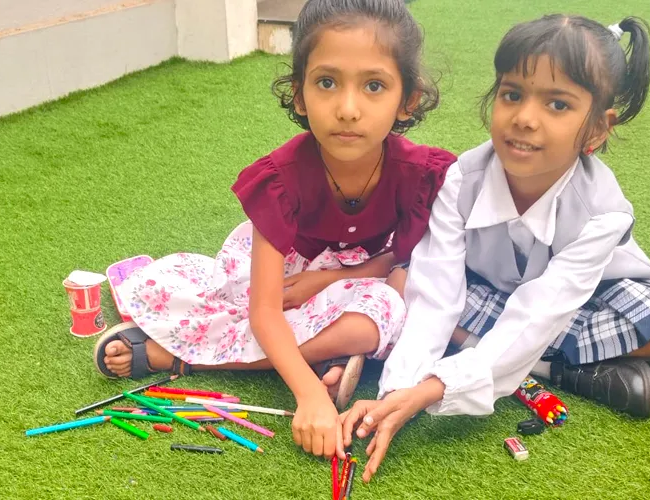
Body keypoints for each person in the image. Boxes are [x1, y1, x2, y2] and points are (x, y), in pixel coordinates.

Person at [340, 14, 650, 482]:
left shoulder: (604, 213)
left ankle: (539, 365)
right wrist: (398, 388)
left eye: (557, 104)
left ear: (597, 130)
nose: (524, 118)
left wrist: (434, 388)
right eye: (512, 94)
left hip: (591, 298)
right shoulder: (462, 179)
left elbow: (542, 310)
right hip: (488, 292)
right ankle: (564, 368)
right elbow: (437, 294)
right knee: (407, 281)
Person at [93, 0, 456, 459]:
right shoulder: (280, 179)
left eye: (374, 86)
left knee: (384, 310)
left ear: (407, 101)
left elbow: (402, 261)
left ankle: (181, 357)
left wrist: (329, 278)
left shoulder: (422, 174)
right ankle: (315, 361)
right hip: (279, 272)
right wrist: (309, 396)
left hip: (356, 274)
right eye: (327, 82)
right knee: (219, 304)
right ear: (299, 95)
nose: (348, 109)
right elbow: (264, 310)